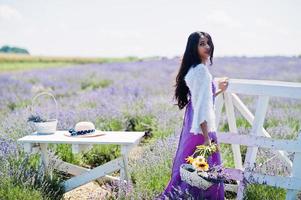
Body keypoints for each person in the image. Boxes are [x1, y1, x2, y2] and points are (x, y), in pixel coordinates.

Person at [158, 31, 229, 199]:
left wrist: (219, 90)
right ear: (193, 48)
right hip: (201, 127)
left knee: (190, 167)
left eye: (208, 43)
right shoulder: (202, 73)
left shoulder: (194, 69)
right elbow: (202, 107)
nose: (207, 47)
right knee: (204, 170)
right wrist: (206, 138)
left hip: (193, 124)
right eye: (201, 44)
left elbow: (201, 100)